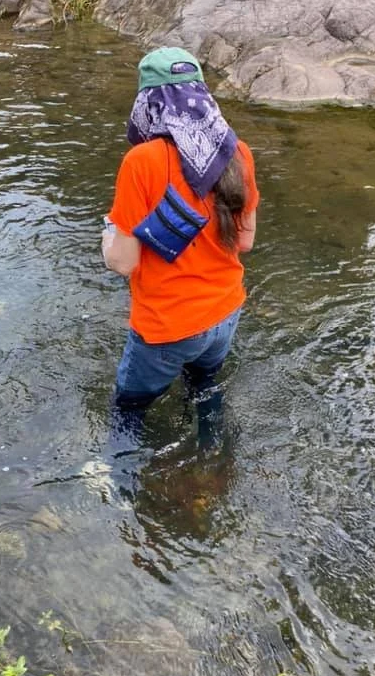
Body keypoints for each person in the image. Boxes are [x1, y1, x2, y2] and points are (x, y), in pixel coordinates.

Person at [102, 46, 259, 452]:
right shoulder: (238, 153)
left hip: (167, 326)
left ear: (148, 103)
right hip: (225, 314)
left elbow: (123, 262)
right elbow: (245, 240)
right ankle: (212, 456)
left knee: (128, 410)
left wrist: (108, 234)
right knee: (205, 389)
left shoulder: (143, 160)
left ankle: (119, 486)